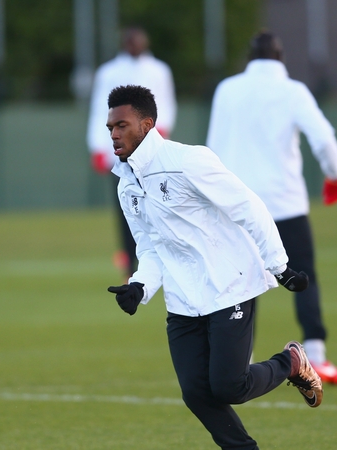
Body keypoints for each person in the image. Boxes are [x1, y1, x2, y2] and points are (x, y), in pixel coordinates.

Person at [105, 85, 323, 450]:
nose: (113, 134)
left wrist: (280, 266)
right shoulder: (126, 185)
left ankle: (292, 361)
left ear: (147, 124)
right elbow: (151, 246)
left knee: (229, 387)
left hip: (229, 286)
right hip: (183, 299)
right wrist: (140, 285)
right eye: (110, 126)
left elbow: (248, 207)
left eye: (121, 125)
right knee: (196, 392)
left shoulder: (188, 161)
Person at [206, 32, 337, 385]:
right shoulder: (293, 91)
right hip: (284, 203)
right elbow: (323, 138)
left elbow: (211, 145)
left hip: (236, 204)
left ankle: (239, 359)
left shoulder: (227, 89)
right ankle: (315, 356)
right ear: (281, 56)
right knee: (304, 277)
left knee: (236, 283)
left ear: (249, 57)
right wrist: (336, 175)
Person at [86, 27, 177, 278]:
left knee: (160, 206)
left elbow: (167, 105)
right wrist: (97, 146)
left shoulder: (159, 70)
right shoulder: (109, 72)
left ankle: (165, 261)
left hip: (152, 150)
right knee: (128, 208)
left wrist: (161, 134)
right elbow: (98, 110)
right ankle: (130, 266)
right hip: (122, 152)